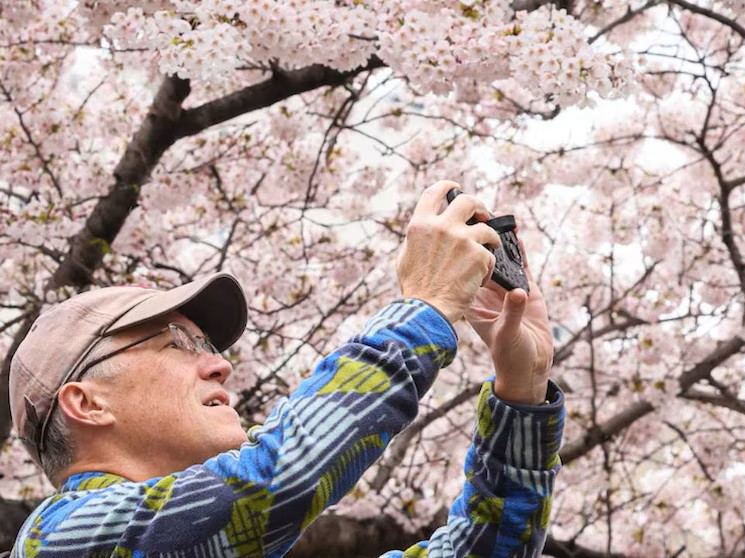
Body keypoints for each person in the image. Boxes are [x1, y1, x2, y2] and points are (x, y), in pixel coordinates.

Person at [7, 181, 564, 558]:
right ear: (87, 402)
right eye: (177, 342)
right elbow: (274, 482)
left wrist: (522, 396)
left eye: (210, 345)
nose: (220, 365)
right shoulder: (63, 539)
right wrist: (425, 307)